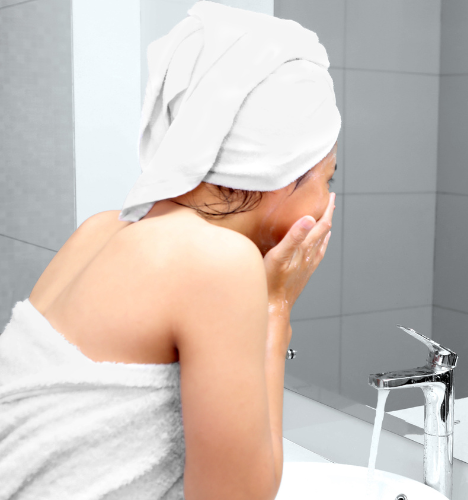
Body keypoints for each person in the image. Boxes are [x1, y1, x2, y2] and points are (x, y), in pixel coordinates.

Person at [0, 2, 339, 499]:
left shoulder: (99, 230)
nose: (329, 200)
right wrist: (276, 305)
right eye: (328, 177)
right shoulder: (219, 265)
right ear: (284, 173)